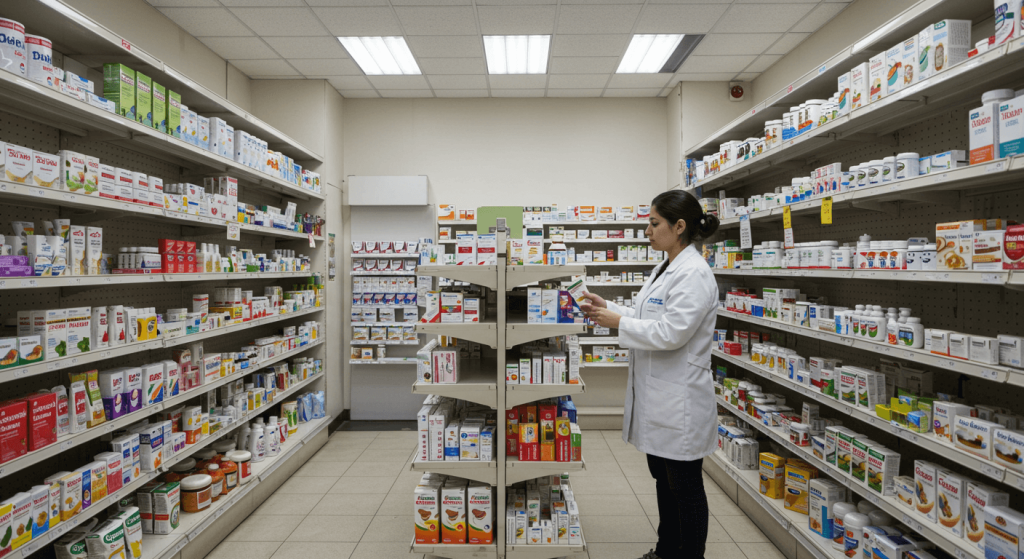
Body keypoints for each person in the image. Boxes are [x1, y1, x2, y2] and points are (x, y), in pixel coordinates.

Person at [580, 190, 720, 559]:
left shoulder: (694, 274)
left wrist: (619, 321)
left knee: (686, 488)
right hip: (660, 401)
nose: (647, 230)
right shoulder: (666, 266)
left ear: (679, 226)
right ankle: (666, 550)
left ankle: (688, 555)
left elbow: (671, 333)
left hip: (680, 403)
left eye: (654, 223)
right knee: (664, 482)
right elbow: (650, 317)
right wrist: (607, 306)